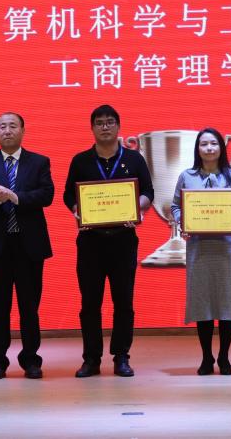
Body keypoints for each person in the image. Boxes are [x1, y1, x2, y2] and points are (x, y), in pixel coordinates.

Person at [62, 104, 154, 378]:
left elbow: (148, 191)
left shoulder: (134, 159)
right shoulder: (81, 160)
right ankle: (91, 359)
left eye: (110, 122)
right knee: (90, 303)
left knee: (123, 302)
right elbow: (69, 195)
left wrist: (137, 208)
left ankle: (121, 357)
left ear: (118, 126)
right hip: (90, 242)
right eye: (99, 123)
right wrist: (77, 210)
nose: (105, 127)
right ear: (92, 128)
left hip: (123, 240)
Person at [0, 112, 55, 381]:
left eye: (13, 126)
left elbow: (47, 195)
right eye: (2, 126)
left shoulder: (39, 162)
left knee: (29, 307)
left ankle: (31, 360)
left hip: (29, 246)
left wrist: (17, 198)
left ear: (23, 130)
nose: (7, 131)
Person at [170, 128, 231, 376]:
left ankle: (224, 357)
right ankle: (207, 357)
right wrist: (183, 222)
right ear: (197, 149)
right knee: (202, 302)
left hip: (226, 248)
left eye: (213, 143)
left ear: (221, 148)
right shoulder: (187, 176)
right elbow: (175, 205)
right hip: (199, 247)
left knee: (227, 302)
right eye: (204, 144)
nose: (209, 148)